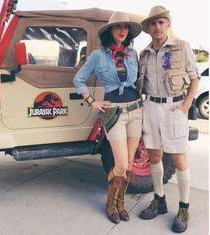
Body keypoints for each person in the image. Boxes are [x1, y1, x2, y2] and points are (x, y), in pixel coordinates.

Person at [73, 12, 142, 224]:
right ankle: (110, 203)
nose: (122, 30)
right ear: (110, 31)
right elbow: (79, 79)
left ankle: (121, 203)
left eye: (125, 27)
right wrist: (92, 101)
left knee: (130, 164)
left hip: (136, 110)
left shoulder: (133, 54)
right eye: (117, 26)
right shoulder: (98, 55)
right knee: (120, 164)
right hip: (114, 113)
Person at [137, 5, 200, 233]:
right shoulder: (144, 53)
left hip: (174, 108)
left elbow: (195, 79)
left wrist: (185, 105)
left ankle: (184, 208)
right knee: (154, 155)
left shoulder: (181, 47)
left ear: (168, 24)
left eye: (161, 22)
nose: (157, 27)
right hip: (150, 106)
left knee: (178, 158)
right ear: (148, 28)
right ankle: (159, 200)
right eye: (153, 23)